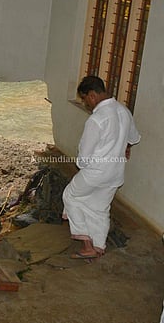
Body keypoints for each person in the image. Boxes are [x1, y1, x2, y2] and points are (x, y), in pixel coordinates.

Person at [62, 75, 141, 259]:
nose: (86, 104)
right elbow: (134, 138)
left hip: (96, 172)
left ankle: (87, 244)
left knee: (71, 196)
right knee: (100, 208)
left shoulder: (97, 119)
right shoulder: (124, 111)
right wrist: (125, 147)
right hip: (116, 173)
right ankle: (98, 246)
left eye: (85, 99)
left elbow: (84, 156)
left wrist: (82, 164)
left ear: (92, 95)